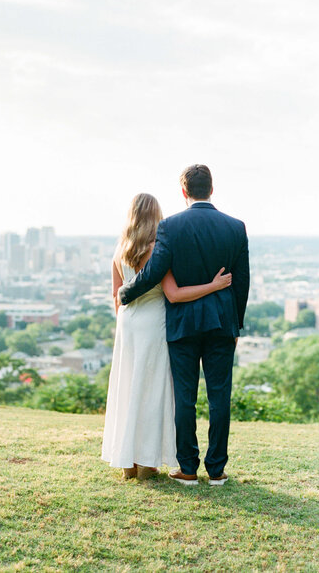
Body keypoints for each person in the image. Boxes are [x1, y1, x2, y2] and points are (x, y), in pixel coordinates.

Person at [118, 165, 250, 486]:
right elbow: (242, 283)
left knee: (185, 398)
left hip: (183, 325)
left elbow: (153, 272)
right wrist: (237, 326)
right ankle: (216, 470)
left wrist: (126, 292)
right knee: (219, 398)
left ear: (183, 191)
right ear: (212, 189)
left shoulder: (170, 227)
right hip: (221, 324)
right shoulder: (236, 227)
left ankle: (188, 468)